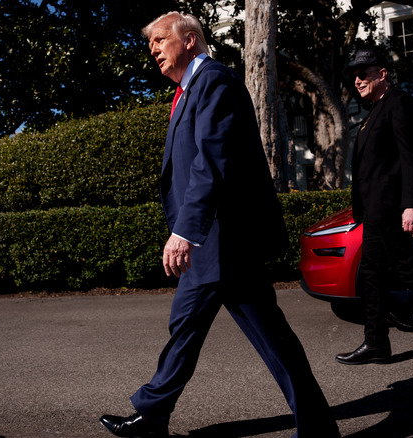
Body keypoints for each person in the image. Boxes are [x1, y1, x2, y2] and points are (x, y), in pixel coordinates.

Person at [98, 11, 340, 438]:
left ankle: (317, 429)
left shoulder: (213, 80)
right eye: (150, 43)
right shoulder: (189, 90)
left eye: (159, 39)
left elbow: (211, 163)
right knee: (192, 326)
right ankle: (153, 413)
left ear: (190, 40)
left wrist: (185, 231)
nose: (152, 49)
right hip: (215, 243)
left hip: (225, 240)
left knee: (265, 335)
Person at [335, 48, 413, 365]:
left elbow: (412, 156)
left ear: (383, 74)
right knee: (372, 278)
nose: (357, 79)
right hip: (374, 215)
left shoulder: (399, 103)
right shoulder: (374, 111)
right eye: (354, 74)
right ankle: (376, 343)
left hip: (394, 212)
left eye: (363, 73)